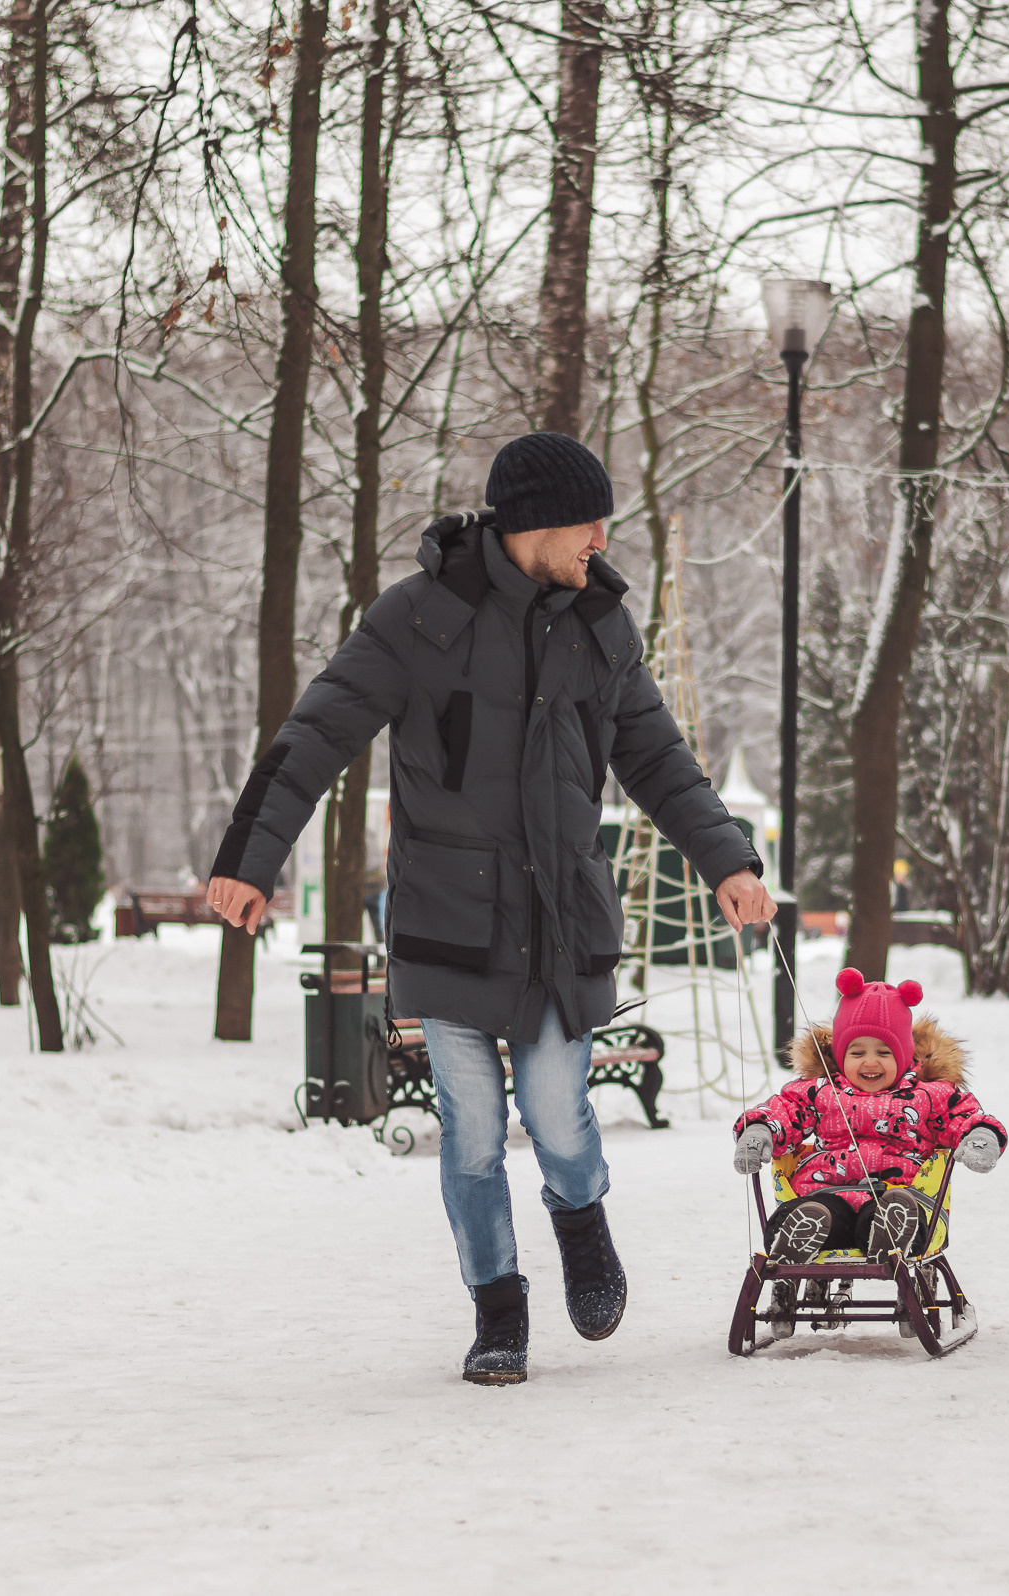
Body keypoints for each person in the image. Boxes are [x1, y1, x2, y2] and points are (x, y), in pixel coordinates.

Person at [204, 432, 775, 1386]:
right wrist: (249, 860)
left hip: (560, 919)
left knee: (557, 1116)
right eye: (588, 519)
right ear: (535, 522)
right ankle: (497, 1309)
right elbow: (318, 732)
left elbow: (659, 759)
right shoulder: (419, 620)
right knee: (471, 1134)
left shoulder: (602, 627)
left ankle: (582, 1221)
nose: (602, 536)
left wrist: (728, 860)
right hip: (449, 916)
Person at [731, 969, 1006, 1338]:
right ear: (840, 1054)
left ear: (906, 1055)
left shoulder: (930, 1094)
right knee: (821, 1214)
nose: (870, 1062)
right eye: (857, 1052)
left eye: (884, 1052)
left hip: (901, 1193)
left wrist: (981, 1137)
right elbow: (785, 1111)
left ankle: (890, 1231)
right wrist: (760, 1130)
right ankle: (800, 1231)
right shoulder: (819, 1091)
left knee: (890, 1210)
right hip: (828, 1195)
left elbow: (965, 1116)